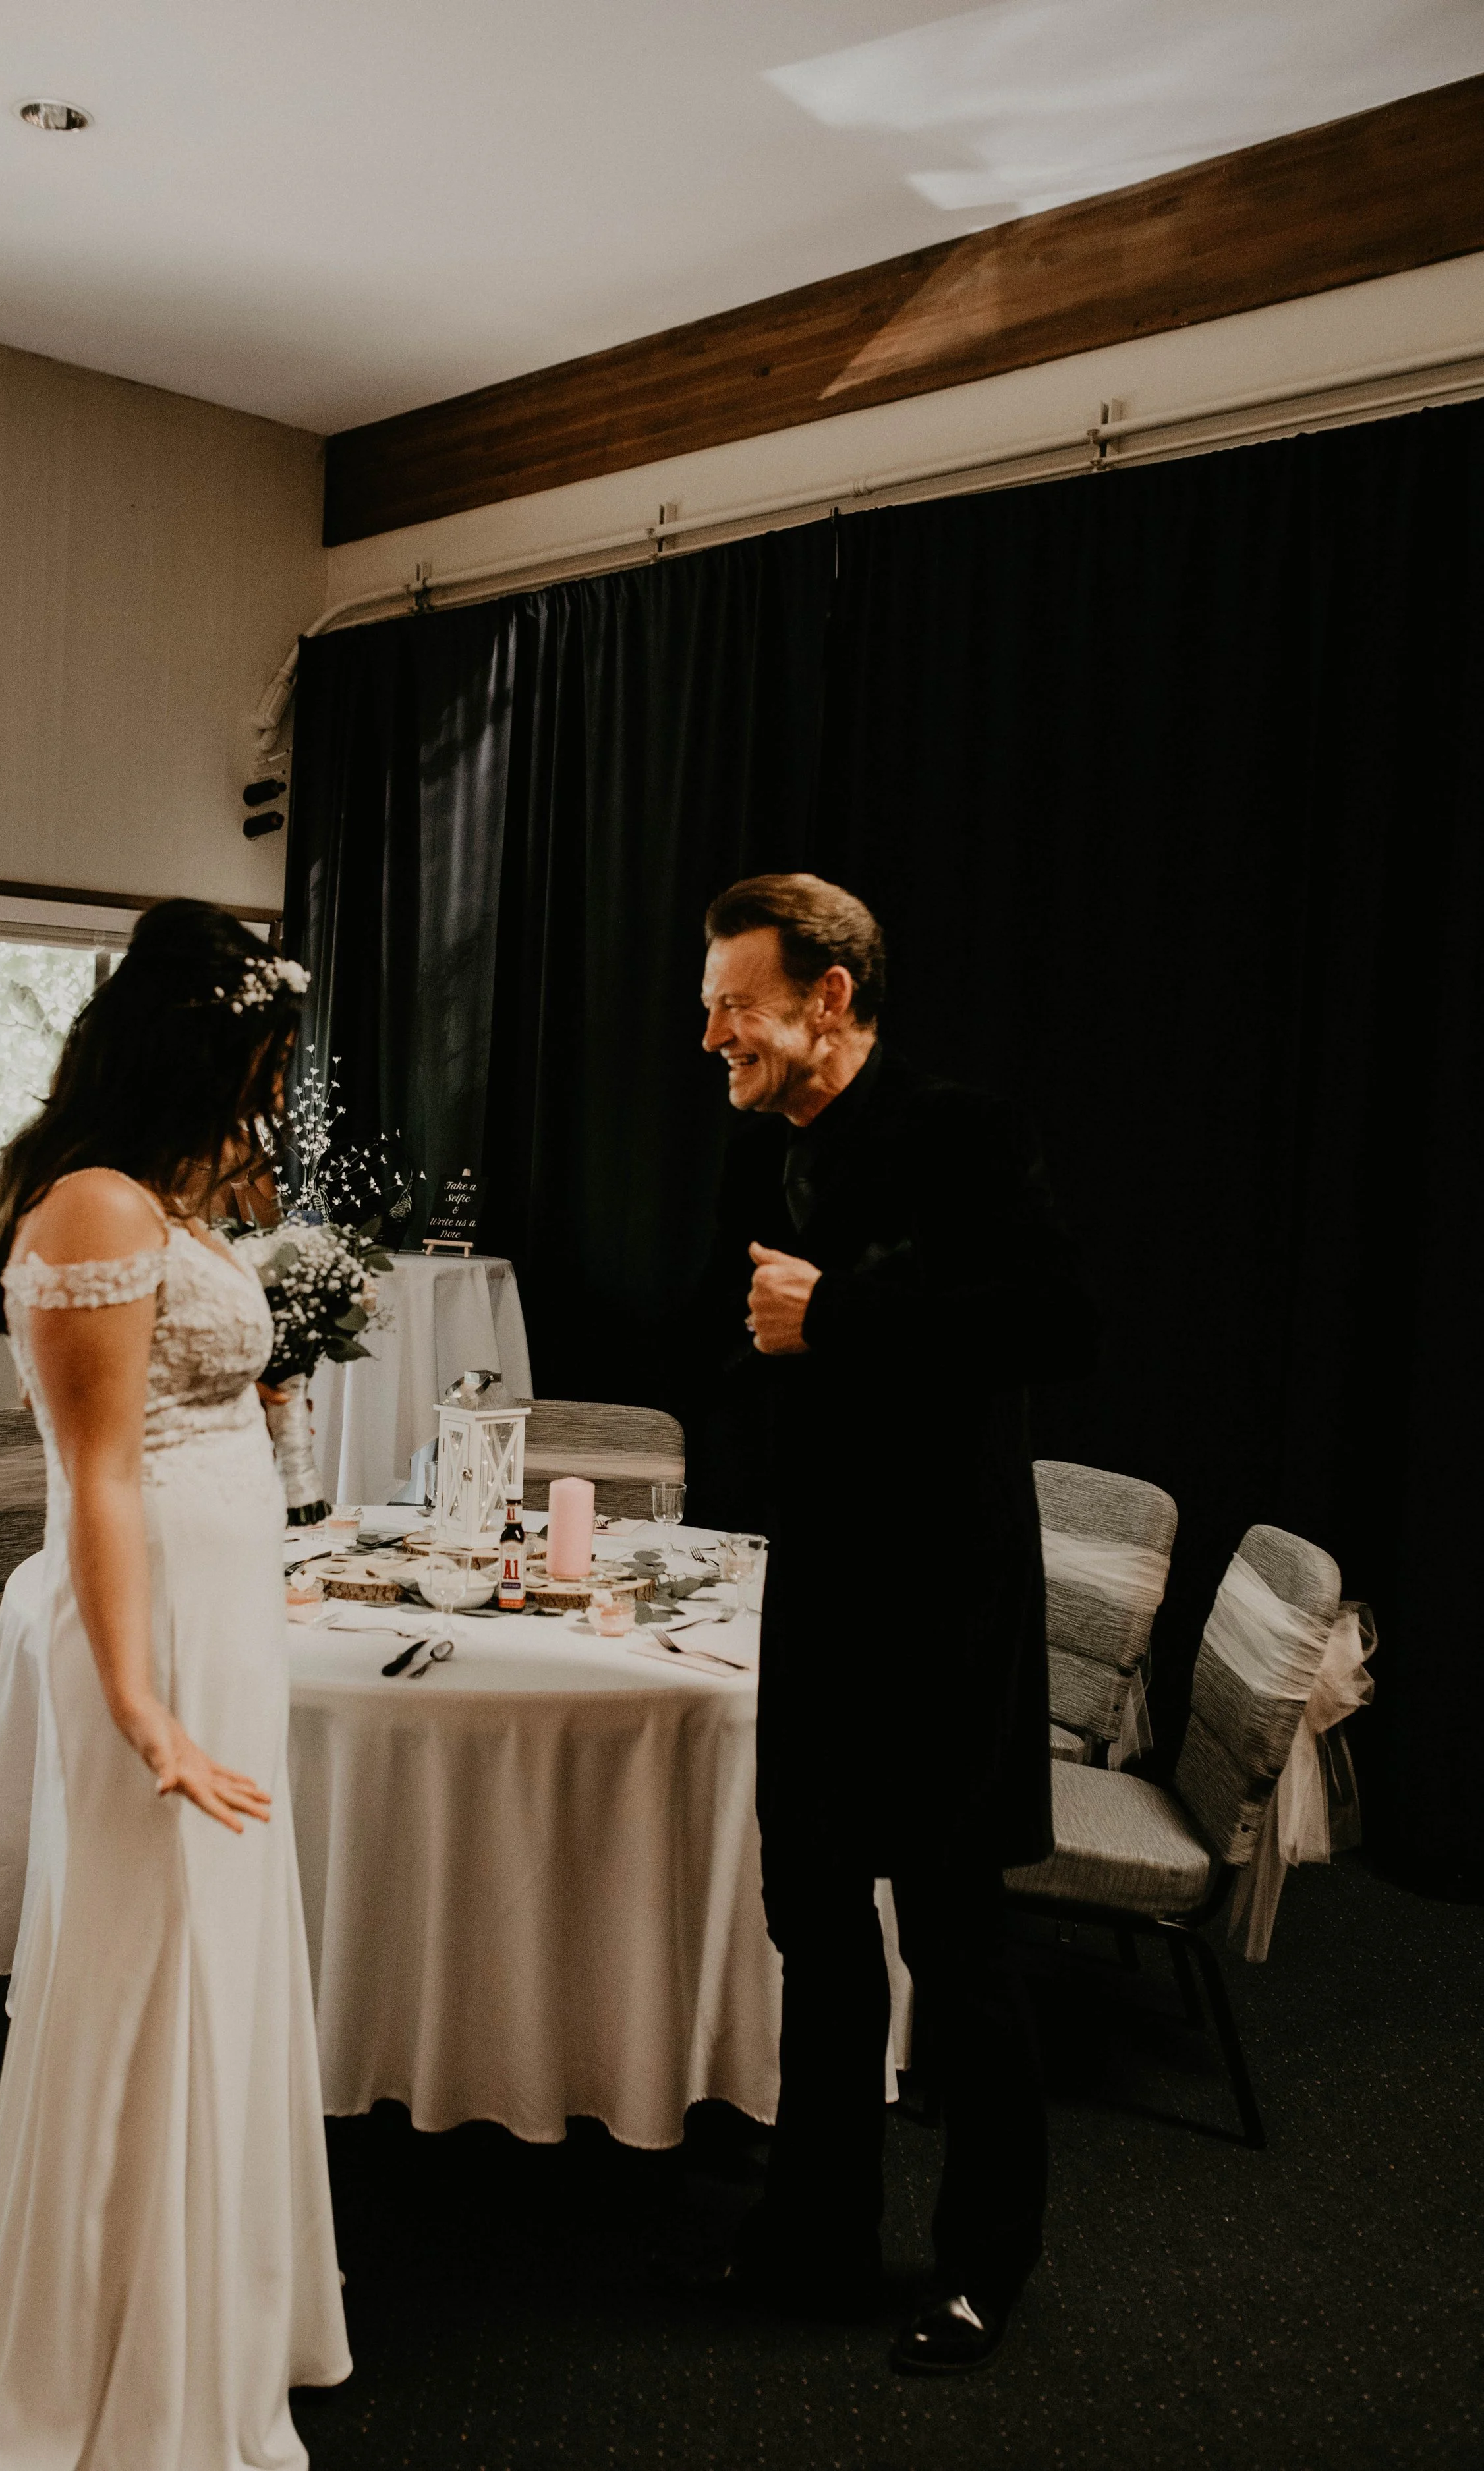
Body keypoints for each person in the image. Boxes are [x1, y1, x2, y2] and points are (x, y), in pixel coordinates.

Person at [0, 901, 351, 2468]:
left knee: (214, 1948)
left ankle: (200, 2307)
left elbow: (180, 1410)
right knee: (147, 1959)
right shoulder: (91, 1208)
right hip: (153, 1629)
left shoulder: (162, 1206)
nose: (273, 1091)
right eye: (262, 1060)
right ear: (195, 1048)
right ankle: (108, 2343)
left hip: (218, 1609)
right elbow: (98, 1477)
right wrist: (141, 1708)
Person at [683, 872, 1100, 2375]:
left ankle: (987, 2264)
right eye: (710, 1008)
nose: (713, 1035)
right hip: (816, 1593)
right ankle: (818, 2234)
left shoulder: (965, 1132)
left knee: (955, 1943)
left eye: (736, 1005)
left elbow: (1054, 1320)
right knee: (813, 1926)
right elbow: (745, 1342)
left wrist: (840, 1316)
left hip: (943, 1604)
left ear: (829, 998)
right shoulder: (758, 1152)